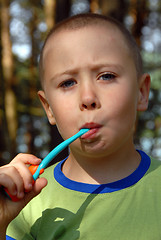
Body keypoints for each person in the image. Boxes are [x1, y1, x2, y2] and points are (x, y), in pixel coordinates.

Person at [0, 12, 160, 239]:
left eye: (106, 76)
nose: (87, 98)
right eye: (68, 82)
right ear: (49, 108)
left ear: (141, 93)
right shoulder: (26, 206)